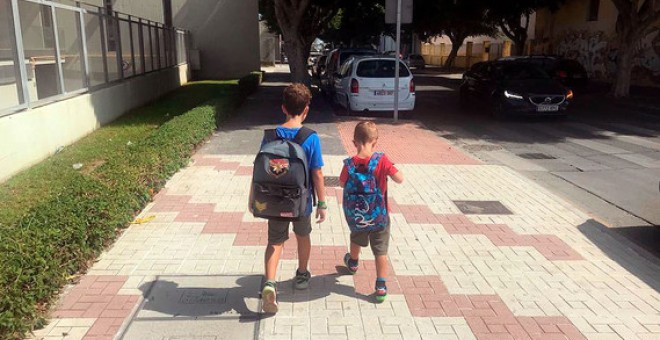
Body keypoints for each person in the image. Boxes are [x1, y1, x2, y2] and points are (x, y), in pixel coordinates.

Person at [260, 84, 327, 314]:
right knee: (302, 235)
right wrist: (323, 203)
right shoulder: (311, 138)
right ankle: (301, 275)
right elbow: (317, 172)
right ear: (306, 110)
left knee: (275, 242)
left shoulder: (270, 136)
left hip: (274, 200)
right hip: (301, 203)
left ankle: (269, 282)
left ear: (283, 108)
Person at [339, 121, 404, 302]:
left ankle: (352, 262)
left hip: (358, 214)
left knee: (356, 237)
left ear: (354, 142)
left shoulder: (350, 164)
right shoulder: (382, 160)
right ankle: (381, 285)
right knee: (380, 250)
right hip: (380, 214)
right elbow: (400, 179)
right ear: (375, 141)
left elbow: (342, 182)